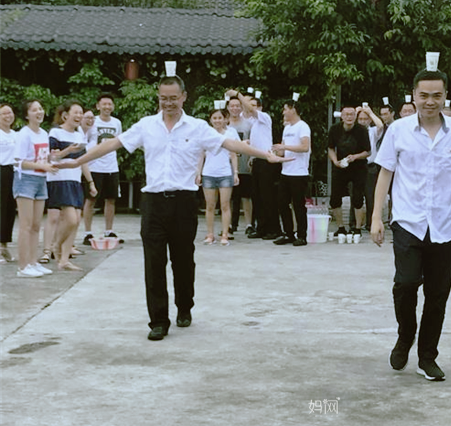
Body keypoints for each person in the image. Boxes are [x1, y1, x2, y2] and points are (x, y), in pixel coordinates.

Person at [63, 76, 291, 341]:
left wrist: (264, 154)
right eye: (163, 98)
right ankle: (158, 320)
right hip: (153, 203)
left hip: (183, 202)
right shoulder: (146, 126)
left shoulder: (197, 127)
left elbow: (230, 144)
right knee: (154, 263)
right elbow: (112, 143)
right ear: (158, 97)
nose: (168, 103)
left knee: (183, 261)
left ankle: (184, 306)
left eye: (173, 98)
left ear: (183, 97)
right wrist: (77, 161)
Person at [371, 68, 451, 382]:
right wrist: (376, 216)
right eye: (424, 95)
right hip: (408, 221)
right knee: (405, 284)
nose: (430, 101)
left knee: (437, 294)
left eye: (436, 95)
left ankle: (427, 357)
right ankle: (406, 333)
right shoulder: (398, 130)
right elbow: (385, 173)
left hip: (444, 225)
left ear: (445, 96)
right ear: (414, 96)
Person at [47, 100, 97, 270]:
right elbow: (51, 158)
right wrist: (68, 151)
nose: (79, 116)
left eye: (81, 113)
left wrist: (90, 182)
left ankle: (64, 260)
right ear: (65, 115)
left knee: (76, 221)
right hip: (59, 179)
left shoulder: (79, 136)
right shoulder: (55, 132)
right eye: (76, 112)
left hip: (75, 180)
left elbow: (83, 161)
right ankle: (56, 245)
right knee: (71, 219)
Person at [226, 90, 281, 240]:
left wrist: (238, 94)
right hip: (256, 161)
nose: (250, 108)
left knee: (267, 196)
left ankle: (274, 229)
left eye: (254, 106)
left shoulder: (264, 118)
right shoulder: (252, 123)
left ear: (260, 107)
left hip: (266, 161)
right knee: (257, 196)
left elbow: (249, 109)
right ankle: (261, 228)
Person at [12, 99, 58, 277]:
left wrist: (51, 159)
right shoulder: (24, 134)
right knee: (26, 225)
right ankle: (23, 266)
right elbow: (19, 161)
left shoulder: (44, 133)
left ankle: (33, 262)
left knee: (36, 225)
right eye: (34, 110)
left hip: (41, 179)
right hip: (26, 180)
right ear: (26, 115)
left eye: (40, 109)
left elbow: (42, 158)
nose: (39, 112)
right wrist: (42, 166)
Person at [82, 94, 123, 245]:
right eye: (104, 104)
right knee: (91, 199)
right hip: (94, 166)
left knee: (111, 199)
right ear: (98, 106)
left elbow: (118, 141)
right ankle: (87, 233)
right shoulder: (92, 121)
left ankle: (109, 231)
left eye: (109, 104)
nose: (107, 107)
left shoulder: (117, 123)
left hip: (111, 166)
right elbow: (84, 139)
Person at [197, 108, 240, 246]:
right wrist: (198, 173)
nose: (217, 121)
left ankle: (225, 234)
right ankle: (210, 234)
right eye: (214, 118)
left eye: (220, 118)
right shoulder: (206, 134)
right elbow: (201, 155)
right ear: (210, 120)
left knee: (225, 205)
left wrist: (235, 172)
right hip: (208, 173)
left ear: (225, 119)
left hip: (225, 173)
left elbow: (233, 154)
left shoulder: (229, 134)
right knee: (210, 206)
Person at [327, 105, 371, 239]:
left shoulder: (362, 130)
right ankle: (340, 227)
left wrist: (355, 157)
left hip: (358, 167)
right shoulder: (334, 129)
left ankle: (357, 228)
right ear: (341, 116)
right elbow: (330, 148)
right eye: (346, 114)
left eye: (352, 114)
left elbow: (368, 152)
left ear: (355, 116)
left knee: (358, 198)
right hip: (341, 166)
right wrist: (335, 161)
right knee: (335, 198)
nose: (349, 117)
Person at [272, 101, 311, 246]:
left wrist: (285, 147)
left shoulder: (303, 126)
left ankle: (302, 235)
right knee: (282, 203)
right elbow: (283, 149)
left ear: (293, 110)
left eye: (285, 109)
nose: (283, 112)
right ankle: (288, 233)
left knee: (299, 205)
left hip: (299, 173)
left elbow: (305, 147)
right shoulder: (287, 127)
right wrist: (278, 151)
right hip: (286, 171)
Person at [227, 96, 254, 235]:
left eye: (237, 105)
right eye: (232, 106)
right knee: (229, 197)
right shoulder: (225, 124)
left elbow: (253, 143)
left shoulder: (248, 124)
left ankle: (249, 224)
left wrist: (252, 158)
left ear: (241, 107)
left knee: (246, 196)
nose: (235, 108)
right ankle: (229, 224)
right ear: (228, 108)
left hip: (244, 164)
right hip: (227, 166)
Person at [0, 103, 17, 263]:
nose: (8, 116)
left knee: (10, 209)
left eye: (9, 113)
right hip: (1, 171)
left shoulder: (16, 134)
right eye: (4, 113)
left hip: (15, 172)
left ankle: (4, 245)